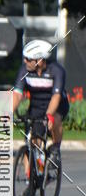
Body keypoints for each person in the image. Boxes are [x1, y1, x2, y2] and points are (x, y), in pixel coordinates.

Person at [12, 38, 68, 168]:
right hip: (36, 106)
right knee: (33, 143)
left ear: (40, 60)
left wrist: (49, 115)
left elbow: (56, 96)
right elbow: (17, 94)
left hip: (57, 105)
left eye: (28, 59)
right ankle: (33, 175)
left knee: (55, 118)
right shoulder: (25, 70)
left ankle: (55, 149)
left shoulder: (57, 70)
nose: (25, 61)